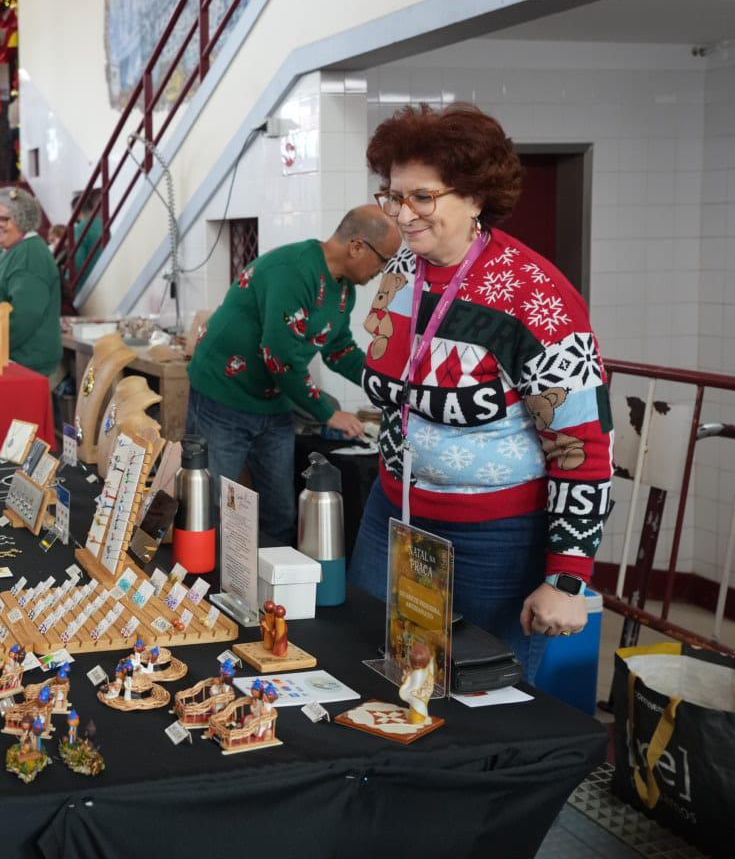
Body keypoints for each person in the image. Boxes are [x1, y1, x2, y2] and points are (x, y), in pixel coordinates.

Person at [347, 103, 614, 674]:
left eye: (423, 197)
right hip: (393, 512)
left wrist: (568, 577)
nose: (404, 214)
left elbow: (584, 444)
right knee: (371, 672)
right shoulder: (402, 270)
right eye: (394, 196)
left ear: (474, 197)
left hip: (493, 540)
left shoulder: (534, 296)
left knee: (479, 697)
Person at [187, 205, 400, 543]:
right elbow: (280, 358)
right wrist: (328, 413)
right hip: (223, 398)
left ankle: (273, 577)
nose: (383, 271)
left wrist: (386, 385)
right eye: (384, 260)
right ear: (357, 247)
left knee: (281, 513)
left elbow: (339, 349)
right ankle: (205, 577)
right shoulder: (293, 271)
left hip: (275, 405)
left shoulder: (344, 290)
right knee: (213, 508)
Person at [0, 188, 62, 384]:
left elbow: (24, 316)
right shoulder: (12, 249)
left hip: (27, 363)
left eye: (3, 219)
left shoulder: (30, 254)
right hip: (12, 360)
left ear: (22, 219)